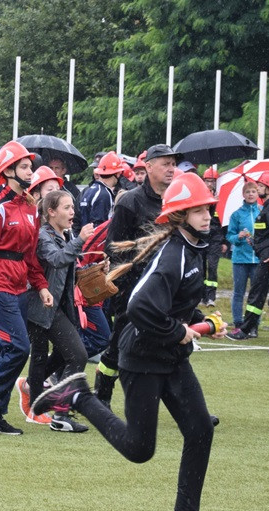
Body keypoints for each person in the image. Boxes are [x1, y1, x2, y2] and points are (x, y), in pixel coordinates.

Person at [30, 173, 228, 511]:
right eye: (198, 210)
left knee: (201, 428)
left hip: (169, 356)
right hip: (142, 357)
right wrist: (179, 331)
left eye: (208, 208)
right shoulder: (174, 255)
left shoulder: (190, 248)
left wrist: (193, 323)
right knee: (140, 449)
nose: (206, 215)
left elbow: (168, 303)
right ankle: (77, 397)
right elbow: (139, 307)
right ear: (180, 215)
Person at [0, 141, 52, 435]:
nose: (31, 171)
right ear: (9, 170)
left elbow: (30, 255)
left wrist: (40, 285)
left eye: (30, 166)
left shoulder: (30, 207)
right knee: (18, 347)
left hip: (19, 287)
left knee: (6, 348)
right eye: (25, 166)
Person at [96, 143, 180, 406]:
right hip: (132, 286)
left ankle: (183, 403)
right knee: (120, 342)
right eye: (165, 163)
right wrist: (124, 288)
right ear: (149, 167)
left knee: (170, 344)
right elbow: (114, 246)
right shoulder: (131, 201)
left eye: (173, 164)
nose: (171, 169)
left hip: (166, 286)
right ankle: (102, 395)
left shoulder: (176, 200)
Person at [19, 190, 94, 432]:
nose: (72, 212)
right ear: (51, 212)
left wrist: (93, 267)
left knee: (62, 355)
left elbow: (68, 265)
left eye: (72, 207)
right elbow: (57, 259)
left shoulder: (66, 233)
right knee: (73, 356)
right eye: (66, 207)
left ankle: (33, 390)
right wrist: (80, 240)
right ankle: (56, 411)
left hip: (57, 306)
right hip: (39, 305)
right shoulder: (42, 235)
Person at [244, 171, 269, 353]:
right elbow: (267, 235)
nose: (257, 188)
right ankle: (254, 328)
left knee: (258, 294)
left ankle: (247, 328)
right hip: (266, 256)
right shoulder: (268, 207)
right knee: (261, 294)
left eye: (260, 186)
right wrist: (254, 241)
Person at [225, 176, 261, 339]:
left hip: (258, 260)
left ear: (258, 193)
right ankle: (239, 323)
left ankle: (253, 325)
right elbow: (229, 236)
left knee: (256, 294)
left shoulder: (263, 212)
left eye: (254, 191)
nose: (251, 194)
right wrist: (238, 237)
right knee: (238, 293)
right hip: (240, 259)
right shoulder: (236, 214)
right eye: (248, 192)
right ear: (243, 195)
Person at [77, 151, 124, 233]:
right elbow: (100, 228)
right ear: (118, 173)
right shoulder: (104, 194)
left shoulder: (90, 190)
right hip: (95, 243)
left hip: (86, 241)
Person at [200, 166, 222, 306]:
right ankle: (201, 295)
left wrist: (224, 241)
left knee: (212, 267)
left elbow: (223, 222)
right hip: (202, 237)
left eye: (212, 181)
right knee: (201, 267)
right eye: (207, 181)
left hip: (216, 239)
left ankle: (211, 297)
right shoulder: (201, 198)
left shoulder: (221, 199)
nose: (210, 184)